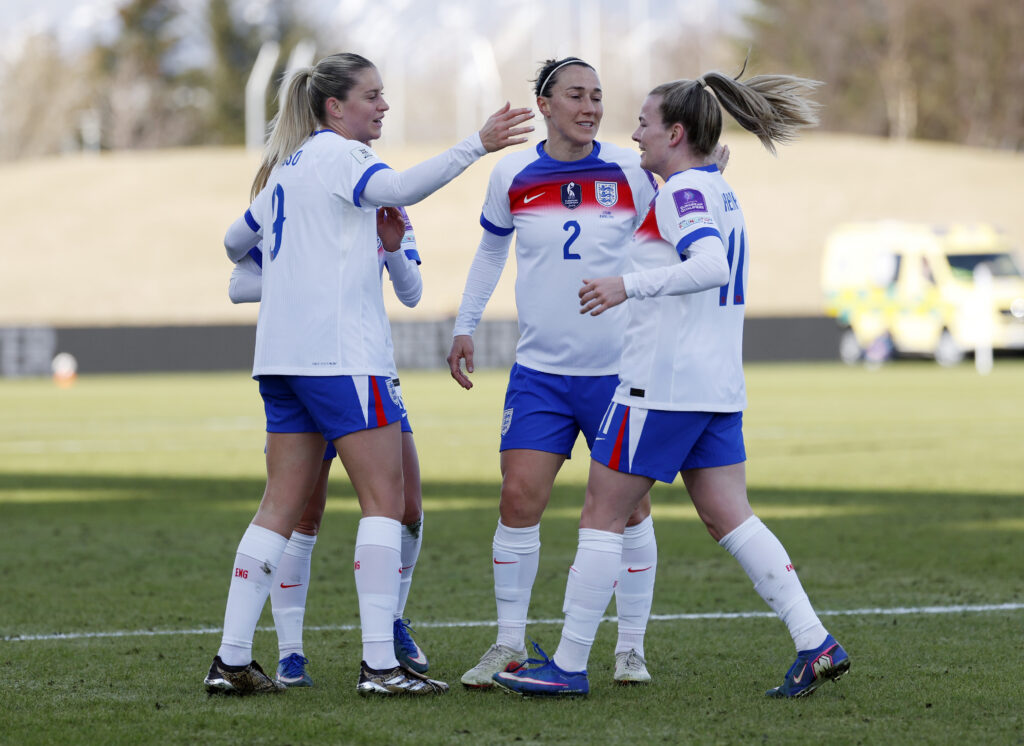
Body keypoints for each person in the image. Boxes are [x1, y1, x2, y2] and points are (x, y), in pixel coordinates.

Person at [493, 69, 851, 699]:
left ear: (676, 133)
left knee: (602, 512)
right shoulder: (713, 188)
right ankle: (815, 642)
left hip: (661, 388)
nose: (632, 133)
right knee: (728, 517)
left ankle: (570, 664)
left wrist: (624, 285)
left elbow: (708, 264)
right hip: (715, 388)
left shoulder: (684, 193)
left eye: (645, 123)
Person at [204, 51, 533, 697]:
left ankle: (232, 659)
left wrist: (290, 278)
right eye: (372, 96)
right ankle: (381, 665)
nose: (383, 106)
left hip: (282, 364)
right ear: (335, 107)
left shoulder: (287, 170)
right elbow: (400, 189)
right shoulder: (339, 156)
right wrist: (479, 143)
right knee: (387, 503)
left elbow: (232, 246)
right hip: (342, 362)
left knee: (280, 506)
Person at [448, 57, 723, 688]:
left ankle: (630, 648)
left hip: (619, 372)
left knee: (630, 511)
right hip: (540, 371)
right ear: (544, 104)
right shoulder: (511, 171)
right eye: (576, 95)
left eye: (598, 96)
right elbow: (492, 248)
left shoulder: (633, 169)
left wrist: (709, 177)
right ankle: (509, 645)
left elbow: (681, 221)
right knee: (518, 498)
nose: (590, 107)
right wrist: (465, 323)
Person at [225, 206, 430, 688]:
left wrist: (393, 247)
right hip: (309, 364)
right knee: (303, 513)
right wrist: (311, 280)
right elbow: (238, 283)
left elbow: (412, 292)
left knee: (408, 506)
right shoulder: (300, 200)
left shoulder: (388, 203)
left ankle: (391, 620)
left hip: (370, 363)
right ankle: (290, 654)